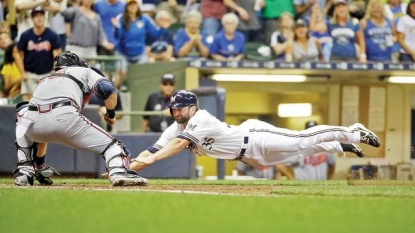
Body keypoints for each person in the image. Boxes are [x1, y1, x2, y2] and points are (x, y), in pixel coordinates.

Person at [129, 90, 377, 172]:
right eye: (173, 108)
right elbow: (154, 149)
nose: (176, 112)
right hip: (249, 157)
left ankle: (352, 131)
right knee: (299, 150)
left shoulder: (201, 118)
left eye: (180, 108)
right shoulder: (176, 127)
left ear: (192, 107)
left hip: (255, 137)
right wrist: (126, 168)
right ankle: (338, 145)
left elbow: (178, 146)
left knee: (301, 140)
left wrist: (152, 160)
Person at [12, 51, 147, 186]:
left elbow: (42, 127)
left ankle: (25, 170)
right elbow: (109, 89)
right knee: (114, 147)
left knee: (23, 112)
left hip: (33, 124)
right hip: (65, 117)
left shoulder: (45, 79)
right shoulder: (83, 71)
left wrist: (39, 165)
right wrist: (110, 115)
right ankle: (118, 172)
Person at [17, 7, 62, 101]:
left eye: (41, 15)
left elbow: (57, 53)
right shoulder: (25, 35)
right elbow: (18, 53)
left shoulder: (52, 35)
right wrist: (22, 72)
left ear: (44, 17)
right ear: (32, 18)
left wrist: (55, 71)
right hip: (29, 75)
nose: (39, 18)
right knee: (27, 103)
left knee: (47, 102)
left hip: (47, 75)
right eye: (36, 16)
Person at [0, 31, 25, 101]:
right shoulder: (7, 67)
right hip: (13, 95)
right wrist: (17, 81)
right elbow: (5, 89)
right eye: (15, 52)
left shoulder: (28, 64)